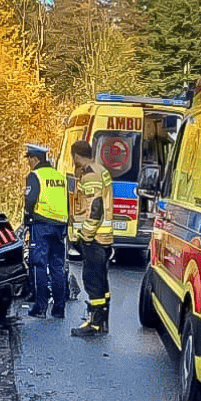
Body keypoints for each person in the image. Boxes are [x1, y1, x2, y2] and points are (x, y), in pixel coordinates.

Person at [68, 140, 113, 337]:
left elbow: (95, 208)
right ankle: (103, 320)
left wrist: (85, 236)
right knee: (102, 282)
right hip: (103, 238)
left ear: (76, 155)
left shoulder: (90, 175)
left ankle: (94, 324)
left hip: (94, 239)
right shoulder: (101, 170)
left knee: (92, 280)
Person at [23, 144, 69, 319]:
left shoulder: (35, 176)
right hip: (60, 226)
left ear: (35, 159)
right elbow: (67, 202)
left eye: (29, 159)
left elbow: (30, 200)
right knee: (57, 266)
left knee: (39, 265)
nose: (28, 163)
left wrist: (27, 220)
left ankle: (40, 307)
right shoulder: (59, 176)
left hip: (41, 225)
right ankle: (59, 309)